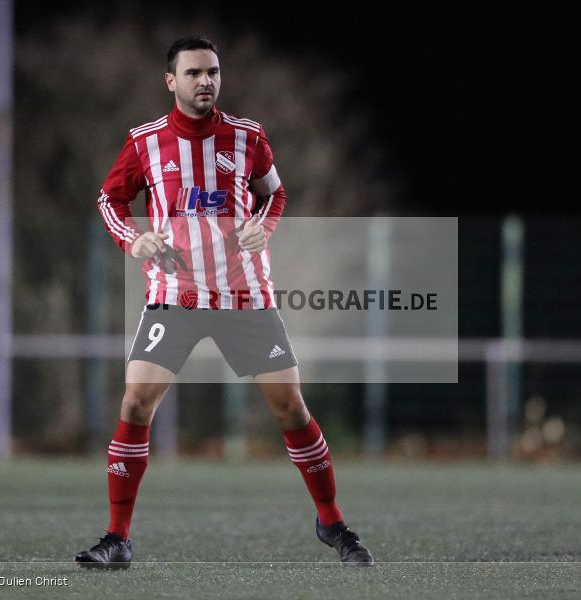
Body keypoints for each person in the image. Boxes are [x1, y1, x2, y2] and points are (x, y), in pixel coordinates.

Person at [75, 36, 374, 568]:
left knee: (290, 408)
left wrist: (267, 224)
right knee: (135, 405)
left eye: (212, 72)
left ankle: (331, 522)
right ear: (171, 81)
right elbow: (109, 198)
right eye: (193, 73)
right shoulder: (144, 142)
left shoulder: (247, 137)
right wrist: (133, 239)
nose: (205, 81)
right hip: (174, 295)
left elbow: (274, 193)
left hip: (245, 296)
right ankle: (117, 538)